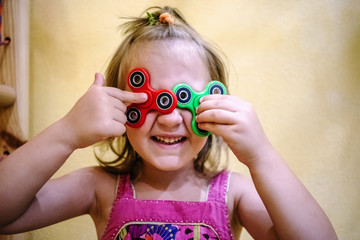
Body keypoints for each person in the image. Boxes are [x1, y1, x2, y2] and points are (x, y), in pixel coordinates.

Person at [0, 6, 337, 240]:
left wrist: (261, 155)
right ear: (120, 108)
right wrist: (67, 132)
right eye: (150, 99)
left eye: (186, 100)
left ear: (216, 105)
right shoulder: (99, 188)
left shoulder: (234, 193)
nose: (170, 117)